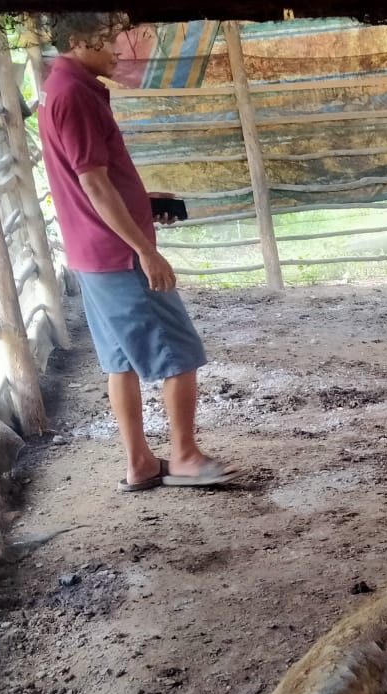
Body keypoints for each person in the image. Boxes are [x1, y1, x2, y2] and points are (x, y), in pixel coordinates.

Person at [38, 13, 243, 492]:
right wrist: (143, 250)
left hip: (91, 253)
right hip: (118, 255)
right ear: (79, 39)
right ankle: (186, 456)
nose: (121, 50)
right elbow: (93, 182)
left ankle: (141, 463)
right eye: (110, 40)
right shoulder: (75, 95)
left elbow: (86, 179)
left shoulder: (59, 88)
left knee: (121, 362)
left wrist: (143, 204)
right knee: (179, 352)